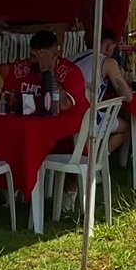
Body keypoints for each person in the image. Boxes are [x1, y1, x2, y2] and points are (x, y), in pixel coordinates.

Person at [16, 30, 90, 212]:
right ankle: (17, 191)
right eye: (33, 56)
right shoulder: (23, 69)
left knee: (74, 147)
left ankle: (69, 193)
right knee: (15, 139)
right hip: (34, 128)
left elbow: (64, 104)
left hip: (71, 135)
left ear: (55, 54)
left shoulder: (70, 72)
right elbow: (8, 96)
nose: (36, 61)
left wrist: (48, 73)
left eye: (41, 56)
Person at [72, 28, 132, 154]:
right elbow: (128, 96)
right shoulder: (107, 63)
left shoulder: (72, 58)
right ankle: (98, 158)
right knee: (127, 127)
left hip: (69, 114)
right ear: (109, 47)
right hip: (89, 118)